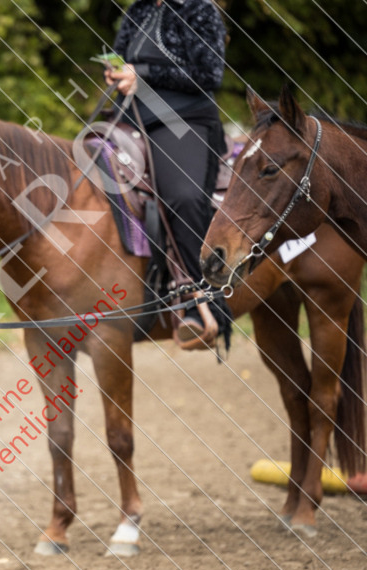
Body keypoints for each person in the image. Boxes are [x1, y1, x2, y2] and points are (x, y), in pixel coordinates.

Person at [104, 0, 229, 350]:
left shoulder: (200, 10)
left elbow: (209, 75)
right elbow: (121, 56)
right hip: (130, 116)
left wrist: (140, 74)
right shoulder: (137, 10)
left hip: (180, 119)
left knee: (183, 195)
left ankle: (202, 302)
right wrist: (117, 73)